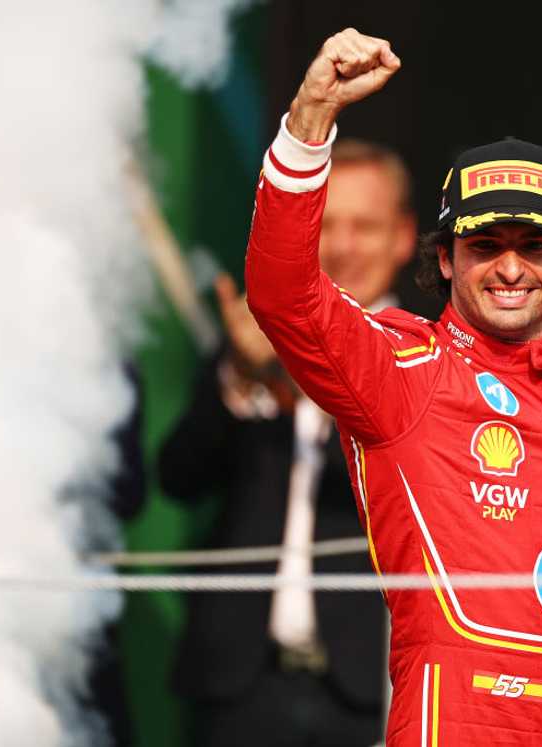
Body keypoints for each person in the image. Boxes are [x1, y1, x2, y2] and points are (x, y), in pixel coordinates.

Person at [245, 28, 542, 746]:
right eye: (484, 245)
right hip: (456, 722)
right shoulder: (402, 368)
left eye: (535, 246)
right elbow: (283, 294)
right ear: (443, 258)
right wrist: (310, 119)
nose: (511, 267)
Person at [159, 137, 416, 747]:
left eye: (366, 226)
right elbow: (176, 477)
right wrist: (244, 376)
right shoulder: (251, 340)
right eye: (326, 224)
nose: (345, 246)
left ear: (404, 237)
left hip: (371, 686)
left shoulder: (423, 359)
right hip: (239, 686)